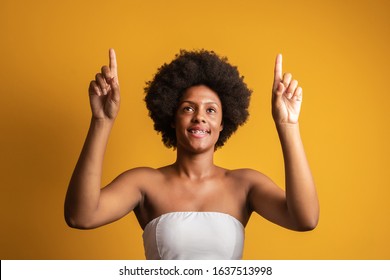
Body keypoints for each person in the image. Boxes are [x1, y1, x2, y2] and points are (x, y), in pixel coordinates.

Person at [64, 48, 319, 260]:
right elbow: (80, 216)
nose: (199, 117)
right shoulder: (144, 183)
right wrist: (102, 120)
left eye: (211, 110)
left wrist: (288, 125)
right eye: (188, 108)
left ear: (223, 123)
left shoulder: (245, 184)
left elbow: (305, 219)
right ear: (172, 118)